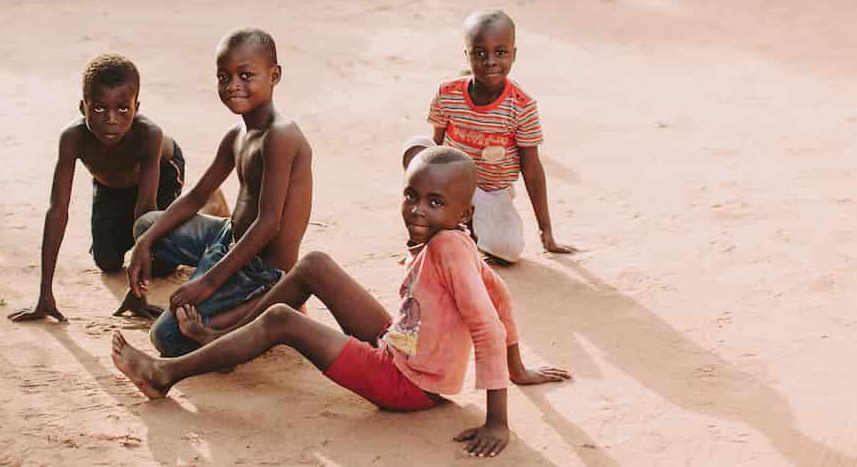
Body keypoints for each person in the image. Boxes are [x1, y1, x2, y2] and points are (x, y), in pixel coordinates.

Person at [111, 146, 570, 460]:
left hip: (406, 383)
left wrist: (497, 420)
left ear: (464, 213)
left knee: (282, 320)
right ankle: (222, 341)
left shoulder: (450, 248)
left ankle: (166, 374)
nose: (417, 210)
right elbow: (501, 294)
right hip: (403, 346)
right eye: (411, 196)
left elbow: (487, 323)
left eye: (435, 202)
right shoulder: (455, 240)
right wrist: (517, 366)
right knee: (314, 265)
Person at [126, 28, 313, 357]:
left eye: (246, 75)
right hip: (228, 237)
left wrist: (208, 281)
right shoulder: (237, 134)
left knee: (168, 339)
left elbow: (269, 223)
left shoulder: (280, 137)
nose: (232, 86)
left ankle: (274, 300)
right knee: (147, 226)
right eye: (223, 77)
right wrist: (145, 242)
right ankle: (253, 299)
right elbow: (198, 195)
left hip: (262, 267)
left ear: (275, 76)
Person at [10, 54, 189, 323]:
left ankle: (201, 206)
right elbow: (57, 211)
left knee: (162, 261)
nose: (111, 119)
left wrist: (137, 291)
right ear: (83, 107)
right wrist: (44, 293)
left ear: (136, 107)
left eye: (123, 109)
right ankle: (164, 216)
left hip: (160, 175)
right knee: (106, 261)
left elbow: (145, 211)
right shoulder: (73, 138)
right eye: (99, 109)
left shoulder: (149, 135)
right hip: (111, 182)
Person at [427, 10, 574, 264]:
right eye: (479, 53)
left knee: (508, 251)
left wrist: (546, 232)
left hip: (492, 190)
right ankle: (443, 227)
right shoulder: (447, 93)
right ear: (467, 55)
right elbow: (435, 147)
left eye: (501, 52)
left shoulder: (521, 105)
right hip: (451, 186)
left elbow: (532, 169)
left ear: (514, 54)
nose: (490, 61)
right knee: (418, 150)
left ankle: (467, 227)